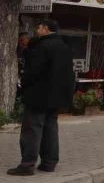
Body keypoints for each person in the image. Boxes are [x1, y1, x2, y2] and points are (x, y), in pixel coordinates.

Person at [8, 20, 75, 176]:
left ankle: (27, 165)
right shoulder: (64, 47)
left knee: (32, 129)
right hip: (57, 97)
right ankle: (49, 163)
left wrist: (23, 84)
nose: (36, 30)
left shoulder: (42, 46)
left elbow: (33, 71)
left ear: (45, 28)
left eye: (38, 27)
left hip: (38, 95)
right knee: (50, 128)